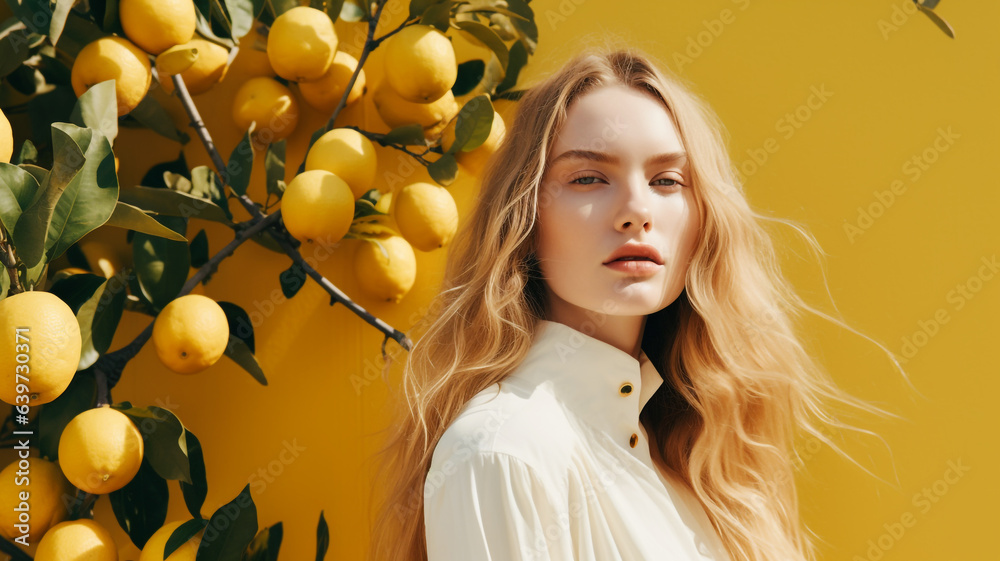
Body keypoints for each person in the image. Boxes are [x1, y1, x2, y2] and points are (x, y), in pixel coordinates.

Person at [367, 46, 909, 561]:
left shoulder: (693, 461)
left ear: (702, 219)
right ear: (525, 219)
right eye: (588, 178)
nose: (636, 210)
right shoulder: (501, 454)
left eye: (666, 180)